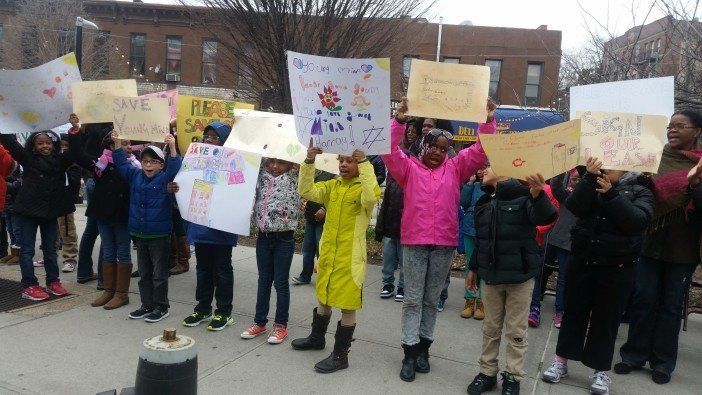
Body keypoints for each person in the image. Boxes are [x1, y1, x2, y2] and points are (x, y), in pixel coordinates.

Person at [382, 98, 496, 383]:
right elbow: (388, 150)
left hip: (443, 244)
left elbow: (482, 150)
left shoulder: (456, 169)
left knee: (431, 301)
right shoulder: (408, 168)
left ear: (449, 151)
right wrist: (399, 121)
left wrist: (487, 119)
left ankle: (424, 349)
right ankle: (409, 352)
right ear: (424, 145)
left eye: (443, 149)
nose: (437, 152)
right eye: (432, 146)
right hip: (415, 243)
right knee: (412, 300)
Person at [541, 158, 654, 395]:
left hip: (618, 266)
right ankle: (561, 361)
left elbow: (637, 221)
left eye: (615, 163)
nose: (607, 166)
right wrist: (589, 179)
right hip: (582, 260)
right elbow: (574, 206)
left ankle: (600, 369)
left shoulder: (640, 189)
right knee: (574, 312)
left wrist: (612, 195)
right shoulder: (589, 183)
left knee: (607, 319)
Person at [614, 110, 702, 385]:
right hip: (649, 242)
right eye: (670, 126)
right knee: (643, 299)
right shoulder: (653, 157)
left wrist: (695, 186)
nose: (672, 130)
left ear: (697, 131)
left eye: (680, 126)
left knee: (671, 307)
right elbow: (639, 193)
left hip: (683, 248)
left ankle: (663, 362)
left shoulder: (700, 166)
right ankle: (633, 354)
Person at [465, 169, 557, 395]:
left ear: (504, 172)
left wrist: (538, 195)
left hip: (519, 278)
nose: (484, 170)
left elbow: (545, 216)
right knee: (490, 328)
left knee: (516, 330)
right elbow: (482, 239)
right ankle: (487, 373)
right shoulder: (485, 201)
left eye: (490, 166)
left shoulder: (526, 197)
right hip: (492, 277)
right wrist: (474, 268)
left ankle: (512, 377)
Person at [291, 142, 380, 374]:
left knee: (348, 306)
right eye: (341, 160)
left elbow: (372, 197)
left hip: (350, 260)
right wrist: (309, 161)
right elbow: (307, 191)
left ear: (359, 163)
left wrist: (365, 163)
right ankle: (317, 338)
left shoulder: (363, 189)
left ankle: (341, 356)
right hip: (328, 255)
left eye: (350, 160)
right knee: (323, 297)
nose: (343, 164)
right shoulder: (333, 186)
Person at [68, 114, 137, 310]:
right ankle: (108, 290)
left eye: (128, 143)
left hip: (122, 215)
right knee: (108, 250)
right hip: (103, 214)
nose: (128, 147)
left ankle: (121, 294)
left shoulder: (134, 166)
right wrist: (75, 131)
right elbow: (78, 155)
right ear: (110, 145)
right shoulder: (101, 164)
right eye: (122, 143)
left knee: (123, 252)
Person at [175, 122, 240, 331]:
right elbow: (183, 183)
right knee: (202, 270)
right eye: (206, 137)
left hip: (222, 229)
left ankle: (224, 312)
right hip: (201, 226)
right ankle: (202, 308)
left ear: (225, 142)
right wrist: (175, 186)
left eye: (214, 137)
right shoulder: (196, 162)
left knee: (222, 270)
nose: (209, 140)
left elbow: (240, 191)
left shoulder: (235, 164)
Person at [112, 131, 181, 323]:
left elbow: (175, 165)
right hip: (140, 234)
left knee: (159, 275)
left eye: (153, 162)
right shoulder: (135, 176)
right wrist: (117, 143)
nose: (148, 165)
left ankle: (161, 306)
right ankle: (147, 305)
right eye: (145, 161)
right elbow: (121, 164)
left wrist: (173, 146)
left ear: (161, 164)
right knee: (144, 274)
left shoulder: (166, 179)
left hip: (159, 236)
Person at [0, 131, 74, 301]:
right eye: (40, 143)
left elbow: (75, 152)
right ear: (33, 146)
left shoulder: (60, 161)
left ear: (54, 144)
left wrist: (77, 131)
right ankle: (29, 285)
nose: (45, 146)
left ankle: (53, 282)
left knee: (50, 249)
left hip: (49, 212)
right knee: (27, 251)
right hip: (27, 212)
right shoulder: (27, 158)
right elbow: (10, 143)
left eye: (48, 143)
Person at [240, 157, 300, 344]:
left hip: (284, 237)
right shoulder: (261, 175)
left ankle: (280, 325)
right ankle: (260, 322)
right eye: (271, 162)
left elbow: (307, 166)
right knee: (263, 280)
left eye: (281, 162)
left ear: (292, 165)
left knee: (280, 282)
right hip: (264, 237)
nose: (275, 166)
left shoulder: (294, 176)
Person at [528, 170, 579, 328]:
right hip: (553, 238)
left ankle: (560, 311)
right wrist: (562, 169)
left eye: (578, 180)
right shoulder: (567, 196)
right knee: (539, 271)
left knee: (563, 277)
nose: (573, 182)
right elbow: (556, 186)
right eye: (572, 179)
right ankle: (534, 307)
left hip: (569, 243)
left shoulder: (586, 198)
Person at [375, 121, 418, 301]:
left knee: (404, 261)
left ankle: (402, 286)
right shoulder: (391, 183)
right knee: (388, 258)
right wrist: (380, 227)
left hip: (405, 230)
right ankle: (387, 283)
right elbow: (385, 207)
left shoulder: (412, 184)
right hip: (390, 228)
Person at [292, 169, 335, 285]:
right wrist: (301, 199)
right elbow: (306, 191)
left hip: (324, 220)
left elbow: (335, 196)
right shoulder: (311, 171)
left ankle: (324, 279)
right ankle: (305, 275)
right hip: (310, 217)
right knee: (307, 249)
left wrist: (324, 209)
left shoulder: (332, 174)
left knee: (321, 250)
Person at [460, 169, 486, 319]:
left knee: (483, 267)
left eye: (486, 167)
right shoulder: (474, 186)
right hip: (470, 229)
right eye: (479, 167)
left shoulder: (497, 186)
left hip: (487, 232)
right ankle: (470, 300)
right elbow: (463, 202)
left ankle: (482, 302)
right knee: (471, 265)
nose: (482, 171)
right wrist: (469, 183)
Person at [56, 135, 80, 273]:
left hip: (65, 201)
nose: (63, 148)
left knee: (67, 230)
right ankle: (50, 256)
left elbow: (74, 184)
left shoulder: (72, 164)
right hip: (50, 201)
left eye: (66, 146)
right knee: (51, 231)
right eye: (61, 145)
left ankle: (70, 259)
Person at [0, 165, 22, 265]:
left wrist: (2, 184)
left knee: (17, 230)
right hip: (6, 205)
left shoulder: (18, 167)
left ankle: (19, 255)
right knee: (10, 230)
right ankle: (14, 253)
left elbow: (16, 186)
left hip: (15, 205)